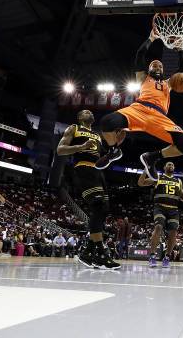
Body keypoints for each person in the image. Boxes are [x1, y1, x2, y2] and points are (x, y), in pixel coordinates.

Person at [95, 31, 183, 180]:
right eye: (154, 65)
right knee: (106, 122)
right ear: (149, 69)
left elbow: (181, 74)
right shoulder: (143, 78)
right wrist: (151, 39)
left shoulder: (168, 84)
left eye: (160, 65)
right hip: (138, 109)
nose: (157, 65)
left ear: (163, 70)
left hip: (159, 116)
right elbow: (140, 55)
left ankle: (152, 157)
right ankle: (113, 151)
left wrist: (180, 50)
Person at [57, 109, 120, 269]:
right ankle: (100, 253)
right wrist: (81, 146)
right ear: (79, 117)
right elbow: (60, 149)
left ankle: (88, 252)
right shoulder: (74, 128)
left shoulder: (98, 135)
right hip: (82, 169)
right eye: (85, 111)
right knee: (98, 205)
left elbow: (102, 159)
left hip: (97, 172)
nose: (89, 112)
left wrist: (114, 151)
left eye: (91, 112)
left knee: (104, 209)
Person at [137, 161, 183, 268]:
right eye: (169, 164)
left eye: (172, 165)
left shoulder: (178, 181)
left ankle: (167, 257)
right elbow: (141, 183)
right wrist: (145, 170)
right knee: (158, 227)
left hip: (173, 209)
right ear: (164, 167)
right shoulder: (158, 178)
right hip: (160, 207)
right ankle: (152, 256)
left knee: (173, 232)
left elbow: (182, 197)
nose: (171, 166)